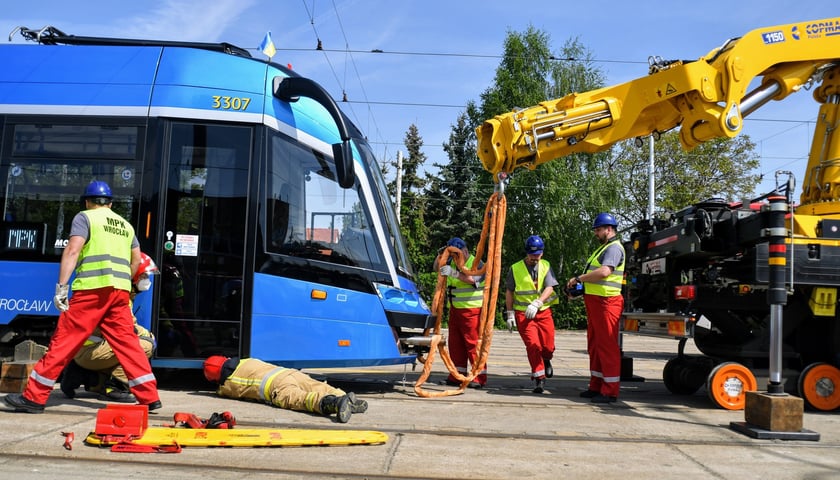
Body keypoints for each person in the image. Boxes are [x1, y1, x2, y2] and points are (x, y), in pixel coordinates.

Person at [4, 180, 161, 413]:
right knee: (128, 344)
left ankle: (34, 398)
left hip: (91, 291)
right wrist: (123, 282)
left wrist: (61, 287)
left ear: (88, 201)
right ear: (110, 203)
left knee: (63, 342)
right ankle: (149, 397)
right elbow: (136, 259)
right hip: (119, 292)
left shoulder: (85, 217)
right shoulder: (126, 226)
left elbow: (72, 250)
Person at [60, 252, 159, 403]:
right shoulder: (120, 297)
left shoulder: (113, 291)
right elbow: (128, 330)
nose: (147, 280)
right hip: (90, 351)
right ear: (133, 275)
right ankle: (114, 388)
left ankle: (82, 373)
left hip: (83, 350)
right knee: (146, 345)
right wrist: (148, 335)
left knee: (124, 354)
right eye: (143, 276)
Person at [565, 212, 626, 404]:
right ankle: (596, 385)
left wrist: (579, 279)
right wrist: (580, 290)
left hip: (607, 303)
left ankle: (609, 391)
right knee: (595, 346)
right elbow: (596, 278)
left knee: (607, 347)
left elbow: (605, 272)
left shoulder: (614, 248)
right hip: (597, 303)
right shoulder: (604, 248)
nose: (595, 233)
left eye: (598, 230)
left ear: (609, 229)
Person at [203, 355, 368, 423]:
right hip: (287, 373)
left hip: (277, 388)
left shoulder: (227, 386)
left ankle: (335, 403)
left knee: (304, 399)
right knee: (317, 386)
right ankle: (345, 397)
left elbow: (223, 390)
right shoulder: (246, 360)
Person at [505, 235, 559, 394]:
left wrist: (538, 303)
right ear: (526, 253)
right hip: (524, 315)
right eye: (531, 255)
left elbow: (549, 287)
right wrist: (510, 313)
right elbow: (509, 292)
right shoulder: (515, 268)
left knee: (548, 346)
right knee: (533, 345)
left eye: (537, 255)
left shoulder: (546, 265)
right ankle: (539, 378)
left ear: (542, 253)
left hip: (543, 311)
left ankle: (546, 359)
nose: (534, 258)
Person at [434, 237, 486, 388]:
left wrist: (454, 273)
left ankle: (478, 377)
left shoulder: (477, 263)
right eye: (453, 255)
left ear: (465, 251)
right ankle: (457, 376)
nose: (456, 258)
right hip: (455, 310)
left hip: (472, 310)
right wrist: (441, 255)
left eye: (457, 255)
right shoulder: (451, 262)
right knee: (455, 345)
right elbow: (436, 267)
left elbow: (473, 280)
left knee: (473, 344)